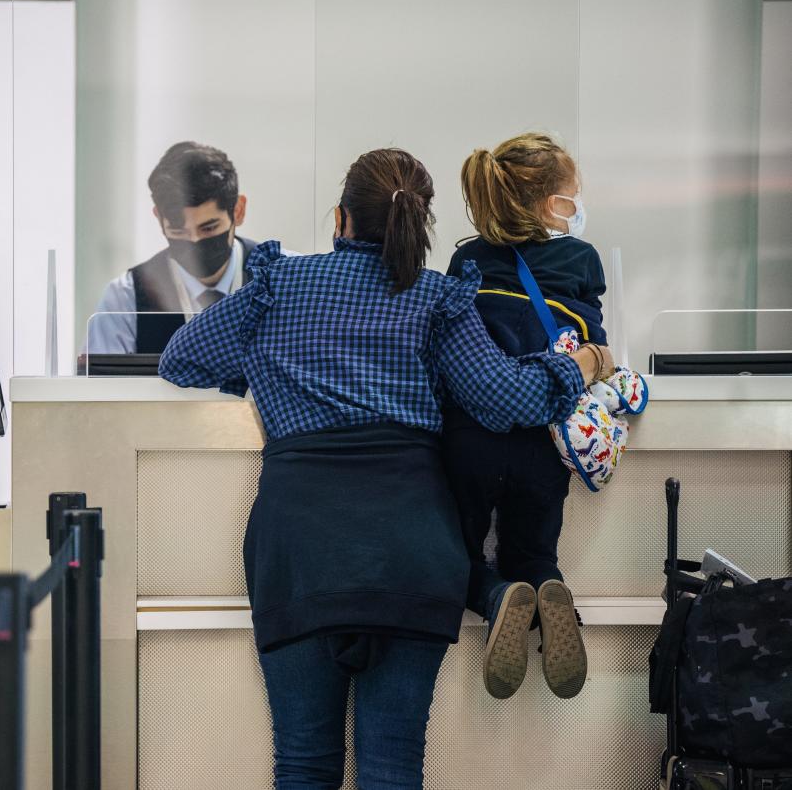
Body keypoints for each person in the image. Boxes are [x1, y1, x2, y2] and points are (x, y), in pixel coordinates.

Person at [159, 147, 612, 789]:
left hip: (299, 552)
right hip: (413, 549)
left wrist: (266, 369)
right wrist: (582, 365)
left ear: (341, 219)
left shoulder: (280, 284)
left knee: (303, 766)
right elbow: (510, 399)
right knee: (392, 770)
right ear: (420, 229)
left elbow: (182, 357)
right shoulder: (437, 300)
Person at [443, 133, 607, 702]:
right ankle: (544, 584)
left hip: (470, 439)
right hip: (544, 439)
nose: (577, 206)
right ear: (542, 202)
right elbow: (595, 342)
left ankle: (496, 597)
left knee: (454, 556)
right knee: (534, 549)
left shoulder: (466, 260)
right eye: (570, 197)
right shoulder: (581, 259)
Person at [87, 141, 260, 355]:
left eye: (209, 228)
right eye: (179, 232)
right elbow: (100, 387)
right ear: (159, 217)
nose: (194, 240)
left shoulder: (287, 280)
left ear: (238, 211)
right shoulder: (126, 297)